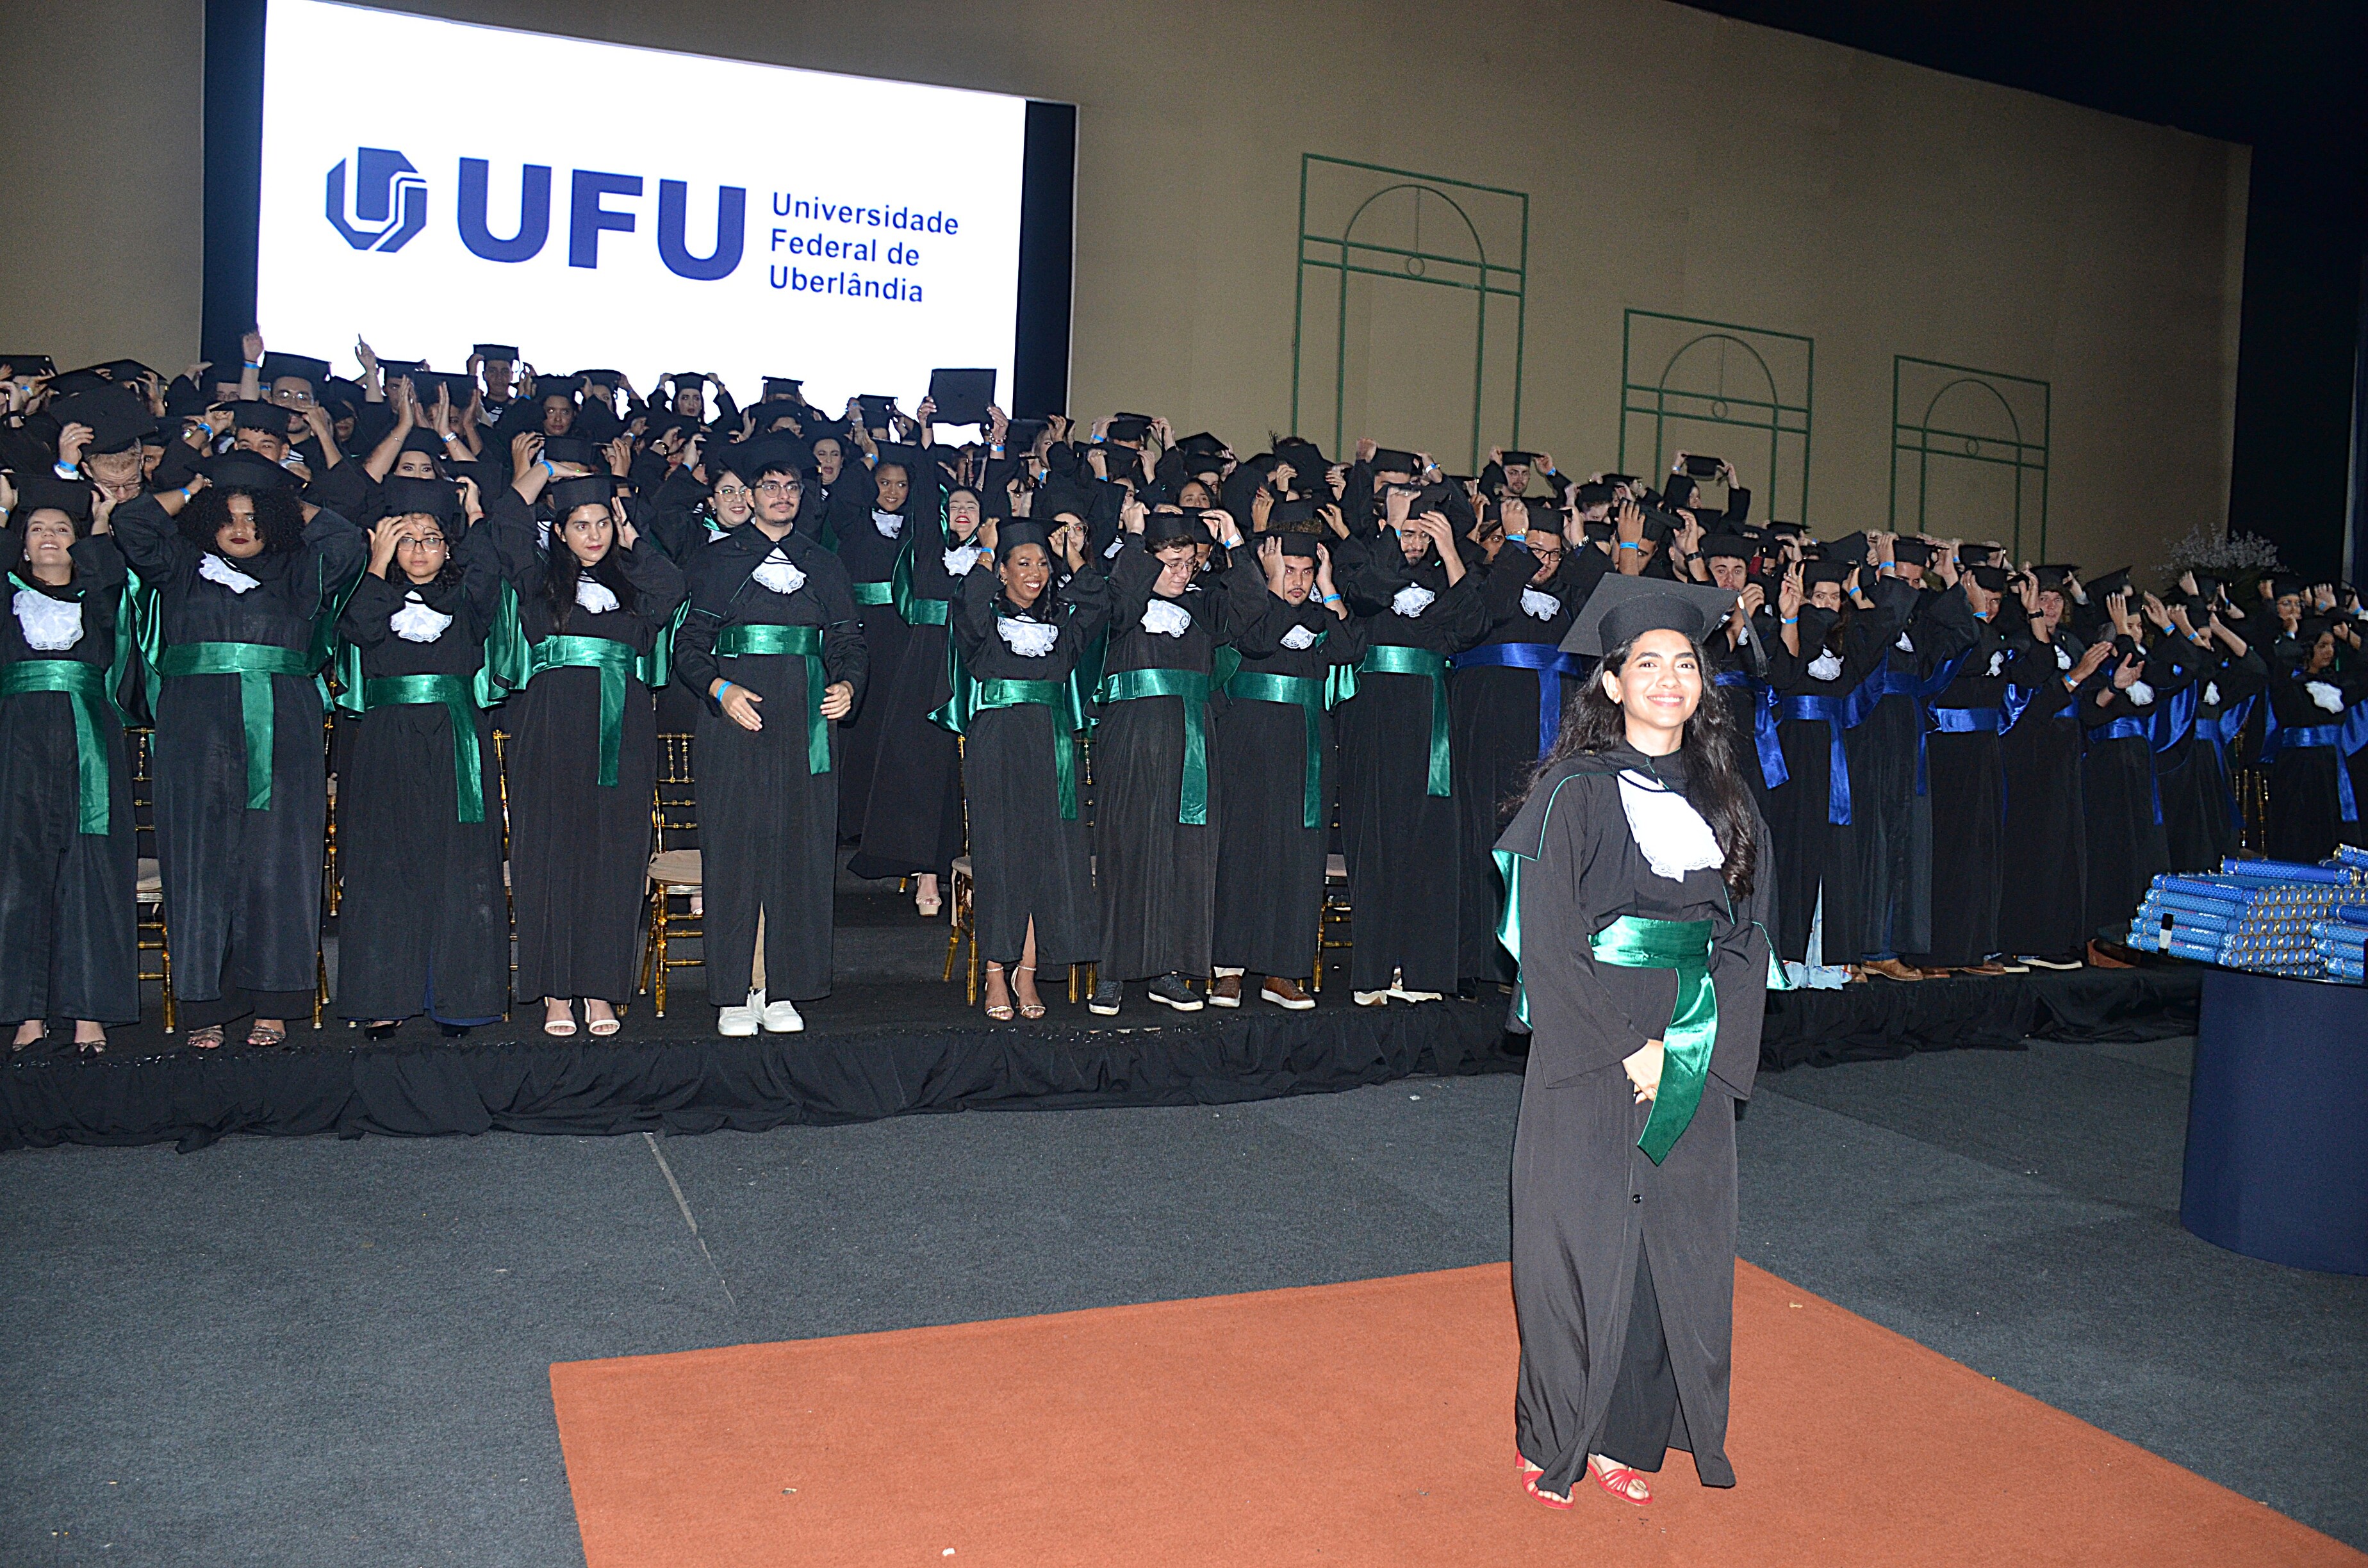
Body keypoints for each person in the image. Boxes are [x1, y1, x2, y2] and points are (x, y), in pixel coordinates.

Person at [1495, 591, 1773, 1510]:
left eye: (1686, 664)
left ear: (1705, 686)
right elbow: (1546, 941)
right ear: (1612, 681)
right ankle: (1556, 1430)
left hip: (1694, 1035)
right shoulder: (1569, 793)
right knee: (1574, 1241)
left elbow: (1747, 941)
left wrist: (1699, 1049)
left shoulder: (1727, 802)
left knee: (1674, 1244)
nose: (1668, 679)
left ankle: (1629, 1435)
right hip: (1591, 1046)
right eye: (1647, 663)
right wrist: (1626, 1051)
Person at [113, 455, 366, 1049]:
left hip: (284, 723)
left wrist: (280, 493)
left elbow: (346, 540)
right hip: (194, 724)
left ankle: (273, 1003)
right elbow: (133, 526)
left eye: (253, 517)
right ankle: (205, 1004)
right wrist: (195, 487)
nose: (241, 528)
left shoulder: (299, 568)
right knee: (198, 858)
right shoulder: (181, 567)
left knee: (279, 860)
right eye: (227, 517)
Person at [488, 437, 687, 1038]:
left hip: (622, 725)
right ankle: (555, 991)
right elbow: (503, 519)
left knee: (614, 854)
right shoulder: (533, 580)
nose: (594, 534)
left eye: (603, 522)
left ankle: (602, 989)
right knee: (549, 851)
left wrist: (633, 538)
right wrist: (544, 469)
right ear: (561, 531)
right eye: (582, 524)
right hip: (548, 726)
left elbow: (674, 588)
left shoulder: (632, 585)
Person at [671, 442, 864, 1036]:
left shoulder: (823, 562)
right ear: (749, 495)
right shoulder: (715, 560)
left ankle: (784, 988)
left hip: (806, 723)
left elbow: (848, 642)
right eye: (771, 486)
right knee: (733, 851)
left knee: (802, 854)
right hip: (736, 722)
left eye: (793, 487)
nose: (782, 496)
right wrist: (720, 690)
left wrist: (850, 684)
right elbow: (688, 647)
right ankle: (734, 990)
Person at [329, 479, 510, 1038]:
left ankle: (460, 996)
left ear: (449, 547)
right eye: (406, 540)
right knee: (387, 863)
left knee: (460, 862)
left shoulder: (467, 600)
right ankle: (386, 994)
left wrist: (473, 511)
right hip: (387, 738)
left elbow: (490, 571)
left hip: (457, 735)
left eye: (431, 539)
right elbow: (356, 628)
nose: (420, 551)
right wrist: (377, 562)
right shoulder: (372, 595)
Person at [1088, 502, 1255, 1014]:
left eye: (1189, 565)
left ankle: (1170, 970)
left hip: (1194, 742)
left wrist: (1236, 544)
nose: (1182, 575)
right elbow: (1115, 606)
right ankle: (1114, 971)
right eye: (1171, 564)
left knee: (1186, 855)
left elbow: (1252, 610)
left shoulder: (1202, 608)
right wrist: (1136, 543)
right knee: (1129, 850)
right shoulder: (1122, 603)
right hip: (1133, 740)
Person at [939, 514, 1108, 1019]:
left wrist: (1075, 554)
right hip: (999, 746)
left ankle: (1028, 972)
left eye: (1041, 564)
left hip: (1053, 748)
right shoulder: (986, 629)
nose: (1034, 573)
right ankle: (996, 971)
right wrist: (987, 553)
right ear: (1005, 571)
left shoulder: (1061, 630)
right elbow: (965, 608)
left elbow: (1099, 606)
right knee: (1002, 857)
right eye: (1023, 564)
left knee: (1047, 862)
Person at [0, 475, 139, 1052]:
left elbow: (112, 583)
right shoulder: (6, 597)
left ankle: (90, 1014)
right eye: (37, 530)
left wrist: (103, 524)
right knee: (17, 874)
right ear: (22, 544)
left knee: (93, 872)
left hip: (90, 740)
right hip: (16, 742)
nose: (50, 537)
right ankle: (26, 1014)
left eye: (62, 528)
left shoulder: (100, 596)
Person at [1335, 495, 1486, 1004]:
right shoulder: (1362, 556)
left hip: (1429, 715)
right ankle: (1373, 972)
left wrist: (1450, 550)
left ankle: (1421, 973)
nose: (1416, 545)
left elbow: (1472, 625)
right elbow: (1364, 595)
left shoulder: (1447, 574)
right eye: (1411, 534)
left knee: (1430, 840)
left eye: (1426, 535)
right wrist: (1391, 531)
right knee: (1374, 836)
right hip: (1372, 712)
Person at [1210, 527, 1364, 1008]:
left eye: (1305, 571)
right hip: (1249, 742)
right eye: (1288, 569)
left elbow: (1351, 648)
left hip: (1308, 743)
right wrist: (1271, 585)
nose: (1297, 580)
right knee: (1242, 847)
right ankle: (1228, 968)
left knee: (1298, 853)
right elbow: (1256, 641)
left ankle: (1283, 970)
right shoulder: (1248, 607)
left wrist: (1331, 587)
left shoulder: (1321, 615)